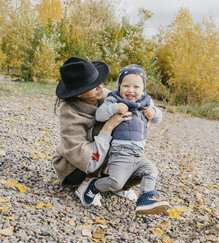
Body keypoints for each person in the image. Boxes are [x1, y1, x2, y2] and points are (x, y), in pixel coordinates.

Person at [79, 64, 170, 215]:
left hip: (139, 153)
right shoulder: (114, 98)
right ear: (119, 85)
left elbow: (158, 119)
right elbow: (99, 115)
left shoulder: (147, 101)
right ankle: (94, 186)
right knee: (115, 183)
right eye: (126, 85)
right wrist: (115, 108)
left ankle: (145, 200)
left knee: (151, 171)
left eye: (136, 87)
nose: (131, 90)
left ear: (143, 89)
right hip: (120, 152)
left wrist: (153, 111)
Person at [53, 57, 142, 206]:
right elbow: (81, 155)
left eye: (98, 81)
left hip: (102, 159)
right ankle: (87, 184)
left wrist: (149, 111)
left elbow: (136, 103)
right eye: (92, 85)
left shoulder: (105, 95)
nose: (100, 86)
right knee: (104, 126)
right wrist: (108, 127)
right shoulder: (69, 113)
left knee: (140, 168)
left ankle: (117, 186)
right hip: (76, 169)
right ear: (78, 93)